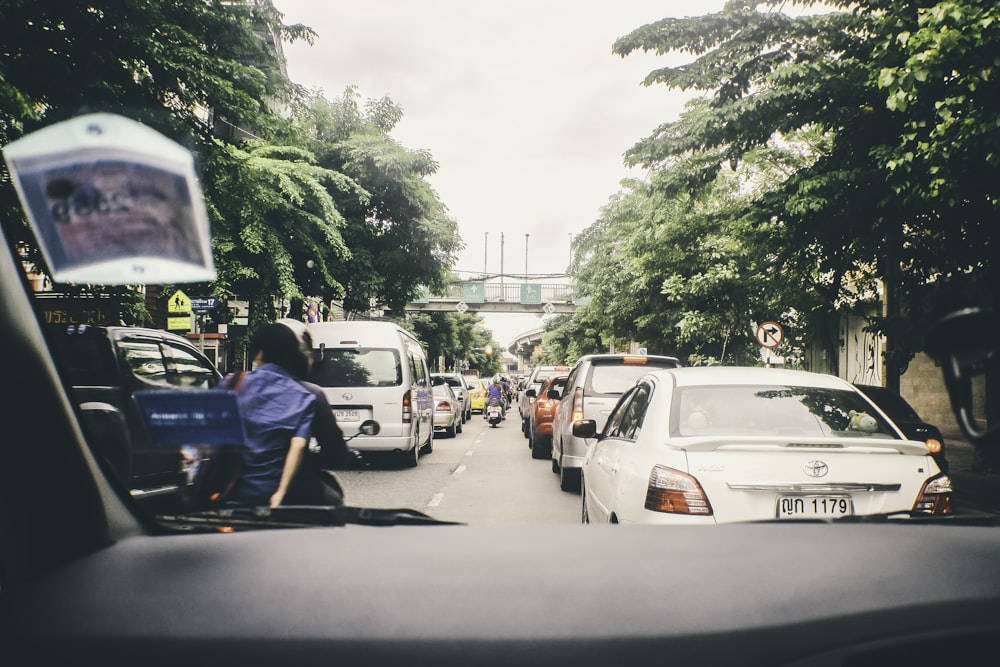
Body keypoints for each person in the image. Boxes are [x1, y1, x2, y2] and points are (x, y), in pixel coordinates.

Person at [223, 322, 319, 507]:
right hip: (268, 493)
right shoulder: (304, 396)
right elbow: (297, 446)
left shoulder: (231, 383)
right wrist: (280, 493)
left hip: (228, 489)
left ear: (259, 353)